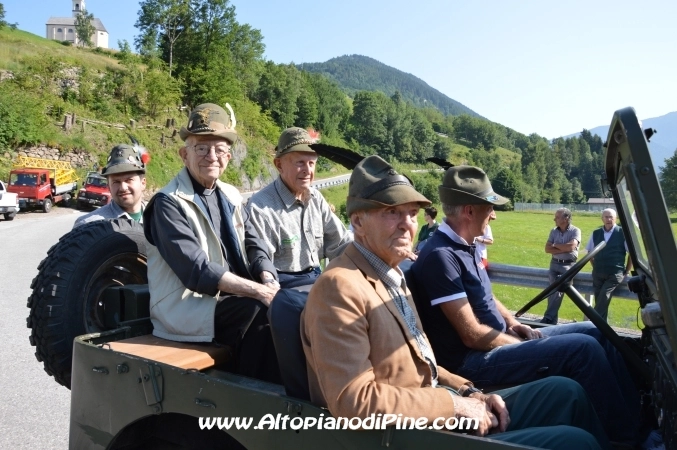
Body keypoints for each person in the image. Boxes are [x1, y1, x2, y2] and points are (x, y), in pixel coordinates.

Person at [301, 156, 609, 450]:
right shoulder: (339, 287)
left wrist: (469, 391)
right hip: (410, 435)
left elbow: (424, 367)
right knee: (576, 443)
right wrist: (453, 405)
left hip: (438, 410)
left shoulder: (391, 275)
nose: (407, 224)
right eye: (392, 212)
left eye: (412, 213)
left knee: (567, 393)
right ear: (357, 222)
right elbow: (354, 403)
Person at [410, 165, 639, 446]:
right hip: (474, 361)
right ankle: (628, 440)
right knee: (584, 349)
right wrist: (520, 343)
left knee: (597, 331)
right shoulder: (441, 256)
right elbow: (472, 335)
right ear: (469, 211)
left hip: (494, 342)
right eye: (489, 208)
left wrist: (513, 322)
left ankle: (638, 417)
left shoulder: (465, 246)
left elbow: (486, 296)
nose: (494, 214)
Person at [142, 103, 282, 382]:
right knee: (257, 313)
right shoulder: (167, 203)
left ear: (229, 157)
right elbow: (197, 270)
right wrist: (258, 292)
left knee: (293, 305)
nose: (211, 157)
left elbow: (254, 242)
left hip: (231, 297)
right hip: (187, 307)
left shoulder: (231, 194)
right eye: (202, 148)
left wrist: (267, 278)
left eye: (219, 149)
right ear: (184, 154)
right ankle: (258, 398)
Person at [247, 127, 352, 289]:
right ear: (279, 165)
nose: (307, 170)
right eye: (300, 163)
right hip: (284, 285)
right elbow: (262, 263)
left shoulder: (315, 198)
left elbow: (341, 244)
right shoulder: (260, 207)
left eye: (311, 163)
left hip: (317, 278)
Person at [73, 144, 147, 228]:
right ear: (109, 186)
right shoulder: (87, 226)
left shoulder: (157, 218)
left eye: (129, 180)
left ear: (143, 183)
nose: (123, 187)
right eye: (116, 182)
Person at [585, 208, 633, 320]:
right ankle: (601, 327)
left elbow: (631, 254)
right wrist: (595, 266)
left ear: (616, 218)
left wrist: (627, 270)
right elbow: (589, 252)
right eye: (606, 217)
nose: (609, 219)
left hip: (615, 273)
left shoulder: (622, 233)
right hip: (598, 273)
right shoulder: (596, 233)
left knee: (604, 297)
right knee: (600, 300)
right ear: (602, 218)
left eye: (611, 217)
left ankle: (592, 322)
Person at [542, 207, 581, 324]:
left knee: (557, 290)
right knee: (553, 291)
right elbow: (547, 249)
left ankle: (548, 318)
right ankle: (551, 320)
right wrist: (563, 248)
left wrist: (555, 245)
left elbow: (571, 247)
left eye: (557, 217)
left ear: (566, 218)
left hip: (568, 266)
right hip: (554, 264)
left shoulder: (575, 231)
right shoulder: (554, 231)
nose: (554, 219)